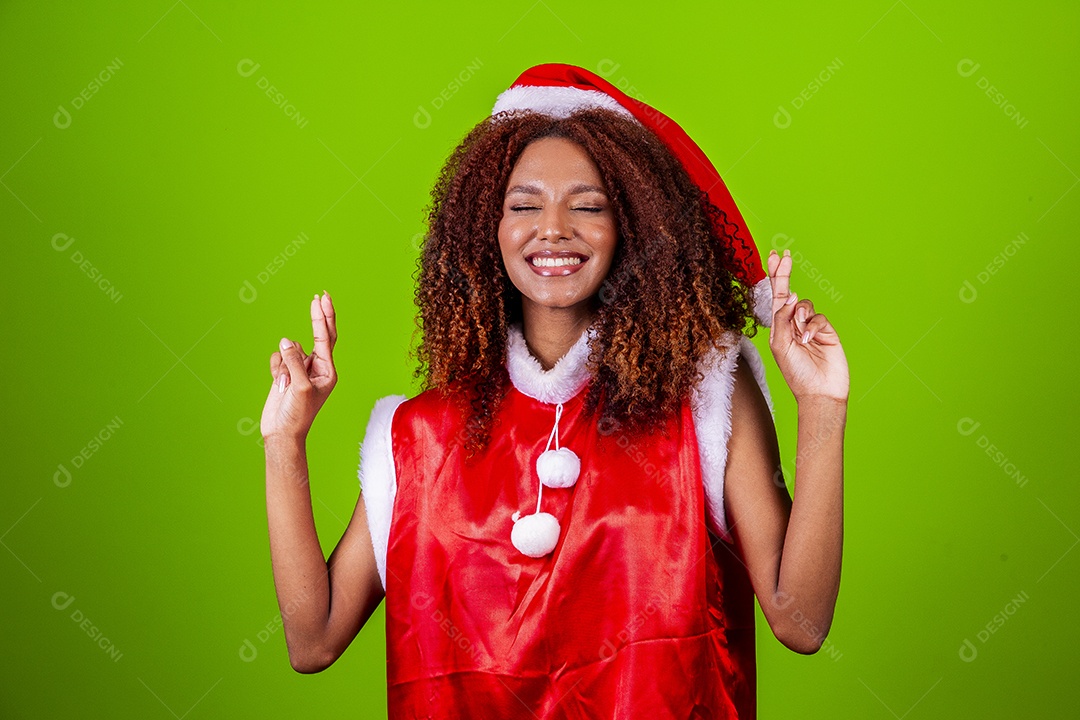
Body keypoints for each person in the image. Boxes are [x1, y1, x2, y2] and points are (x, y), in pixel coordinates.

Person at [260, 64, 848, 718]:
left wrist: (821, 406)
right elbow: (312, 640)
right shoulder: (420, 436)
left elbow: (800, 621)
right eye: (524, 205)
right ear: (487, 227)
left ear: (632, 225)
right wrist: (284, 440)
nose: (554, 228)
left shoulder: (705, 399)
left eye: (588, 206)